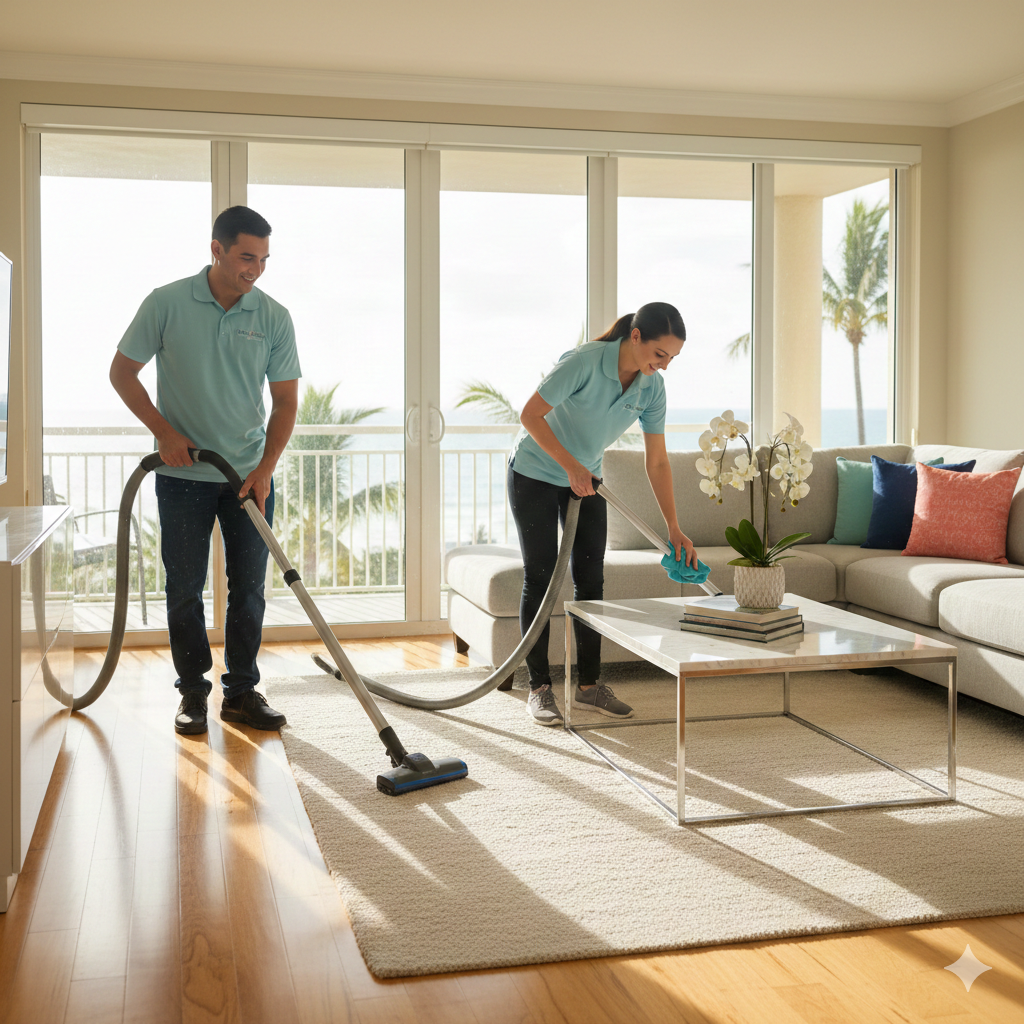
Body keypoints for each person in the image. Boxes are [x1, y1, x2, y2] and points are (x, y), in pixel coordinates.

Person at [110, 205, 301, 736]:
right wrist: (164, 432)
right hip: (183, 477)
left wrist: (267, 466)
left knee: (250, 587)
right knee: (185, 586)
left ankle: (241, 691)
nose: (256, 269)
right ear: (216, 249)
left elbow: (285, 402)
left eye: (264, 259)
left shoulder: (272, 316)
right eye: (246, 257)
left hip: (247, 479)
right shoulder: (167, 302)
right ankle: (193, 691)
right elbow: (122, 372)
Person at [508, 302, 696, 726]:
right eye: (660, 354)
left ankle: (590, 687)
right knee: (540, 575)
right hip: (536, 472)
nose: (663, 366)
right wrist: (569, 464)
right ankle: (539, 689)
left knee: (591, 577)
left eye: (671, 359)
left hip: (586, 479)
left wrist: (674, 526)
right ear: (635, 337)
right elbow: (530, 415)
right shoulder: (584, 362)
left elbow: (658, 462)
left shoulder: (651, 388)